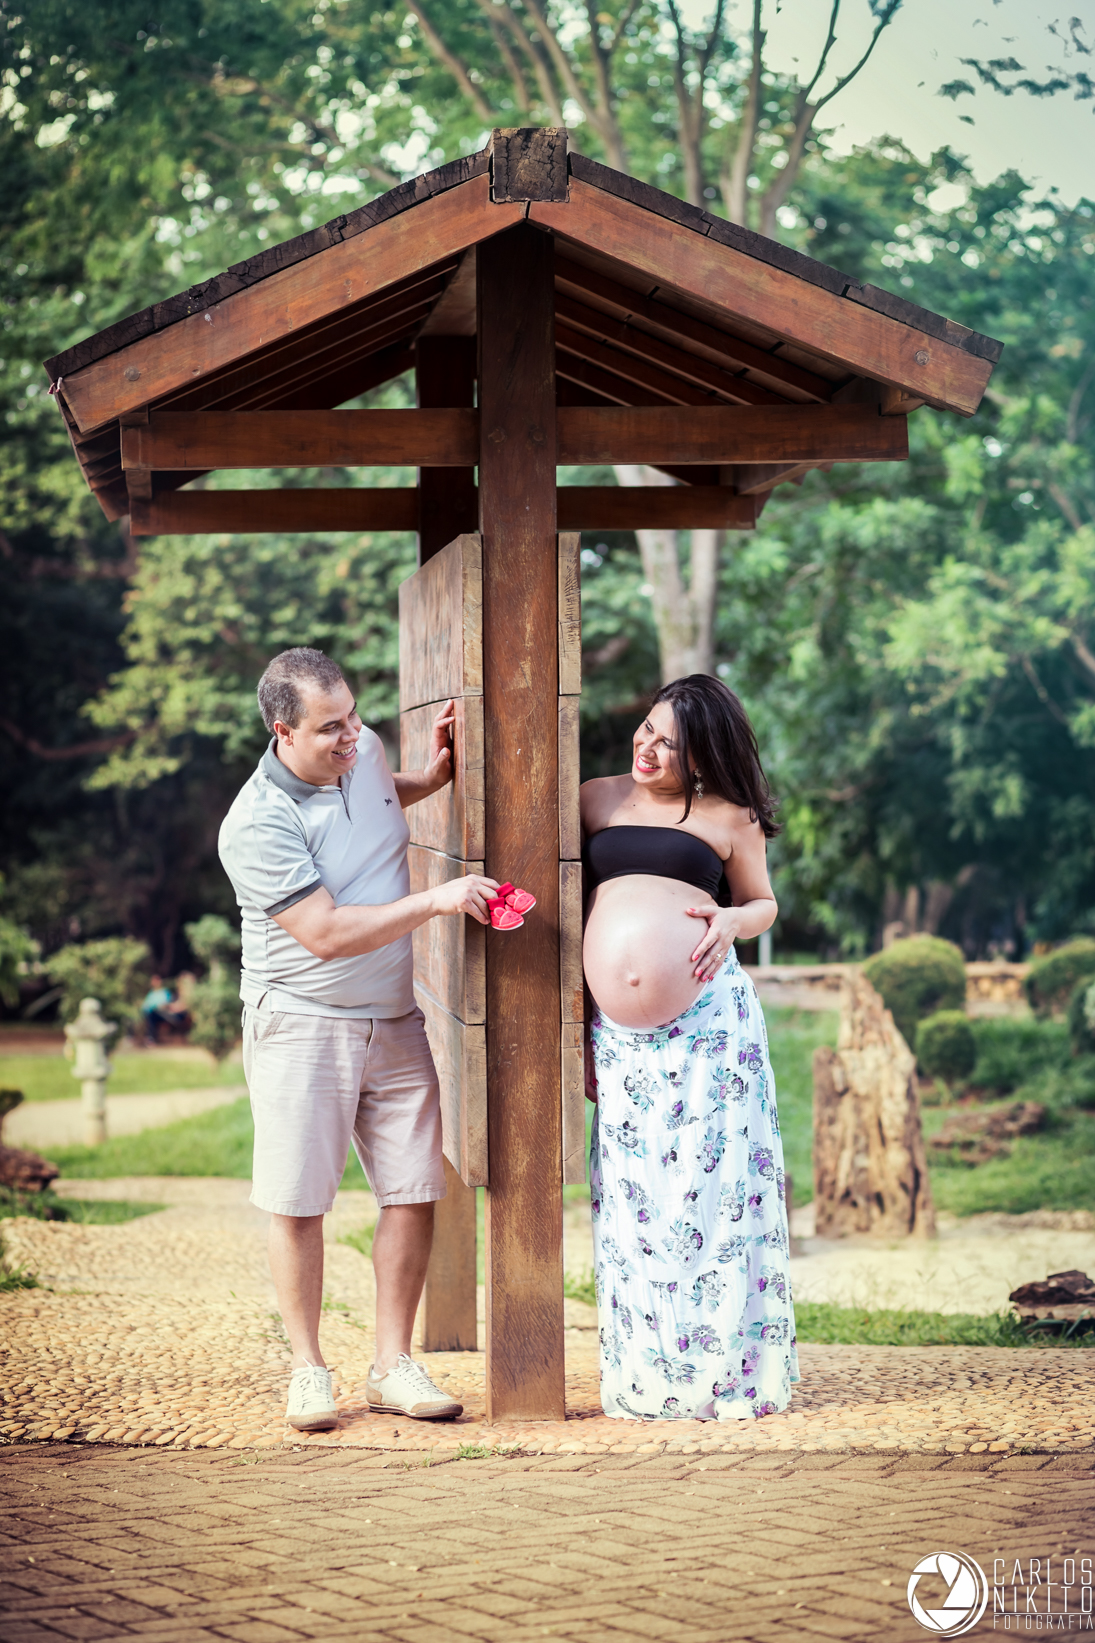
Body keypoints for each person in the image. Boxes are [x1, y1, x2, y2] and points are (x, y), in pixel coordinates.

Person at [218, 647, 498, 1432]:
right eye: (330, 728)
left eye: (353, 716)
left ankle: (391, 1363)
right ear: (283, 731)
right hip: (302, 1020)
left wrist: (430, 780)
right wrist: (438, 899)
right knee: (298, 1198)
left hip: (393, 1017)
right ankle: (308, 1368)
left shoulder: (362, 749)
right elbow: (327, 933)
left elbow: (376, 792)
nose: (352, 736)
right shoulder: (254, 825)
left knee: (413, 1189)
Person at [580, 675, 798, 1421]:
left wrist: (735, 921)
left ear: (703, 751)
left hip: (710, 1032)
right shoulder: (595, 798)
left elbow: (763, 901)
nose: (648, 745)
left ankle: (724, 1377)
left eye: (669, 740)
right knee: (637, 1208)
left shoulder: (729, 816)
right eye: (646, 727)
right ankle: (647, 1378)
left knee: (714, 1201)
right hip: (619, 1043)